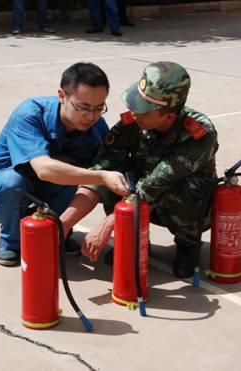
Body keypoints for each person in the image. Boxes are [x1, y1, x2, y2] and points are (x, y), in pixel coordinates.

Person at [60, 61, 219, 278]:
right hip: (143, 199)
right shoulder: (132, 125)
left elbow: (157, 183)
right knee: (114, 177)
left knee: (183, 186)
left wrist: (109, 223)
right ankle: (132, 239)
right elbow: (102, 169)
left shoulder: (199, 134)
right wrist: (65, 222)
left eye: (142, 110)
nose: (133, 112)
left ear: (168, 116)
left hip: (189, 207)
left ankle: (188, 247)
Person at [0, 62, 130, 266]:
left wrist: (107, 219)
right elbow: (44, 169)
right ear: (62, 96)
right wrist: (101, 176)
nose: (91, 116)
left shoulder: (97, 127)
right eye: (83, 107)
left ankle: (56, 232)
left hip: (45, 190)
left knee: (76, 175)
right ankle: (11, 241)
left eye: (98, 108)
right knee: (13, 181)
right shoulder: (30, 113)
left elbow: (99, 180)